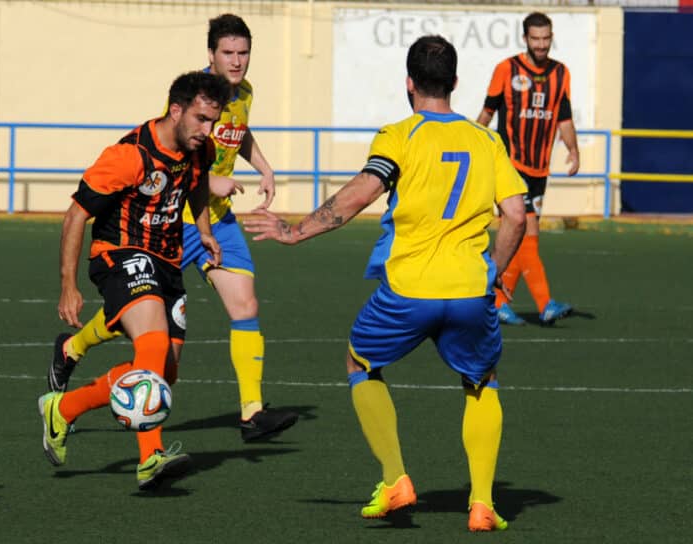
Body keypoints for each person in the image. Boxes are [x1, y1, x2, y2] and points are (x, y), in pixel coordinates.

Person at [244, 35, 527, 532]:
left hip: (409, 288)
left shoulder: (400, 135)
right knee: (482, 381)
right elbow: (516, 217)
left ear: (409, 84)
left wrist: (293, 231)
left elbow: (360, 194)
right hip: (468, 290)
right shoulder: (488, 141)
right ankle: (481, 503)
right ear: (456, 84)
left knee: (359, 361)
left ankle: (395, 477)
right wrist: (494, 275)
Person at [48, 13, 297, 442]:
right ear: (211, 55)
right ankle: (75, 349)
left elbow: (240, 133)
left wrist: (264, 166)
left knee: (245, 305)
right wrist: (208, 181)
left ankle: (251, 413)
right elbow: (177, 152)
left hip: (214, 219)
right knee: (146, 324)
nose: (237, 62)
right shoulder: (191, 98)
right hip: (169, 219)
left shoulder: (244, 93)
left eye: (244, 53)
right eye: (228, 53)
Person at [39, 71, 230, 491]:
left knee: (166, 371)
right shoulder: (129, 156)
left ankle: (64, 409)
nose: (207, 130)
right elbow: (76, 214)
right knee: (153, 342)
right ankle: (150, 459)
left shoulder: (201, 149)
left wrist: (204, 230)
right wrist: (67, 285)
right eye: (200, 119)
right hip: (118, 253)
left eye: (212, 122)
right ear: (175, 110)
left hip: (167, 261)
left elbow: (196, 188)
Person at [477, 11, 579, 326]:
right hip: (511, 165)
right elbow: (486, 114)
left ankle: (496, 301)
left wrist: (573, 149)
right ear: (525, 39)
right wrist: (471, 148)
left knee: (525, 237)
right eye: (535, 39)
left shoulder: (561, 74)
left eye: (546, 38)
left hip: (539, 169)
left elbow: (564, 117)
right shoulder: (506, 70)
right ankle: (544, 303)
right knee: (526, 231)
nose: (541, 44)